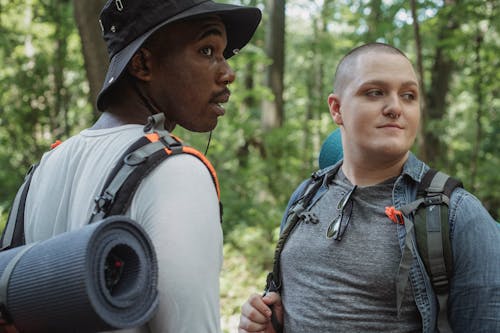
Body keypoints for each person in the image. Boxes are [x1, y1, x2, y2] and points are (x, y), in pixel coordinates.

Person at [19, 1, 261, 332]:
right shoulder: (177, 172)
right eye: (206, 51)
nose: (228, 73)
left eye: (223, 54)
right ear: (142, 63)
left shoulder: (45, 167)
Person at [238, 43, 500, 333]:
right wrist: (268, 323)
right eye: (375, 92)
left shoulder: (457, 215)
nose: (395, 108)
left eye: (408, 96)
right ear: (337, 109)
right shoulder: (306, 196)